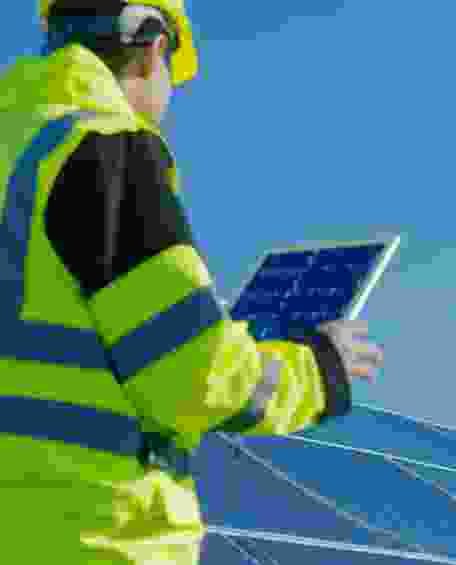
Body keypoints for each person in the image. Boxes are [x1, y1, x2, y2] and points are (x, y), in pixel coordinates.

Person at [0, 1, 384, 563]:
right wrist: (321, 370)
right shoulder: (103, 148)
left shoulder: (18, 155)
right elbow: (196, 377)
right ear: (152, 47)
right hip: (95, 535)